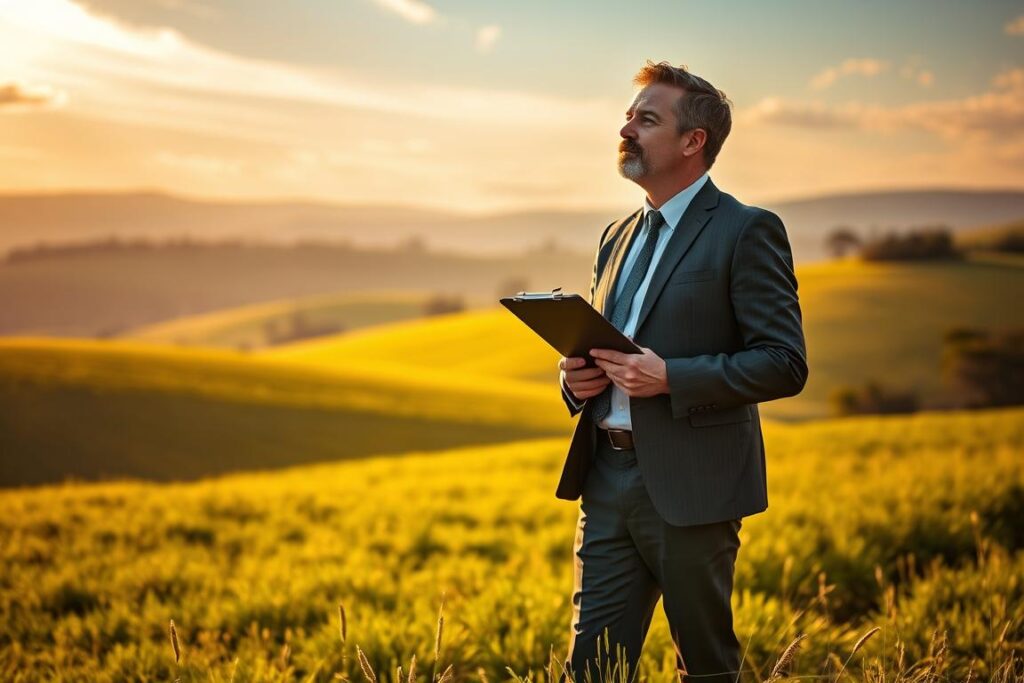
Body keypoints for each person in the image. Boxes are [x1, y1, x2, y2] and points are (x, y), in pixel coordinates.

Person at [556, 60, 808, 683]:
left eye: (646, 119)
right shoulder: (615, 236)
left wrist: (673, 378)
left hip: (695, 488)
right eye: (628, 116)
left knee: (707, 667)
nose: (627, 129)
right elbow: (605, 352)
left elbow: (784, 363)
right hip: (606, 478)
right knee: (592, 670)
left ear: (694, 141)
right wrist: (574, 380)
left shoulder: (746, 230)